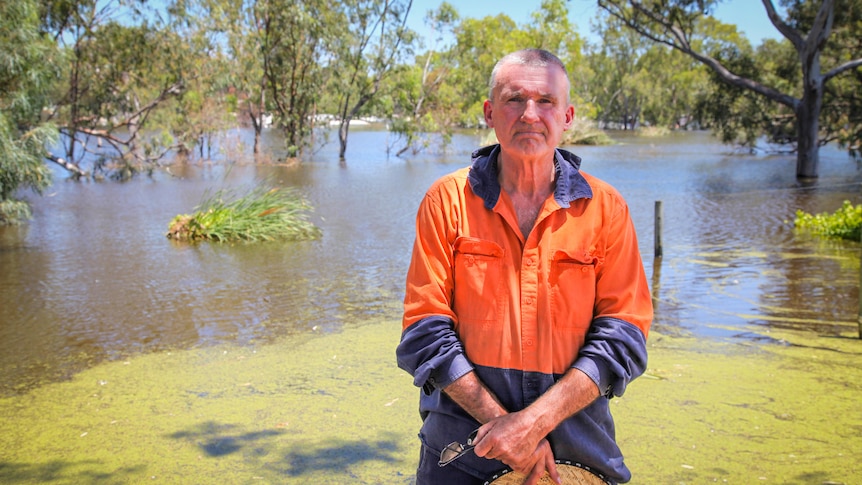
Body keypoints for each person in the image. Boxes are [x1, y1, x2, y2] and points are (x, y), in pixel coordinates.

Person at [396, 48, 653, 485]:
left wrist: (532, 424)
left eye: (546, 101)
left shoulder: (607, 208)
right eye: (514, 99)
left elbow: (623, 336)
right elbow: (425, 331)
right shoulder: (446, 201)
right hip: (461, 445)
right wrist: (509, 429)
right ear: (489, 113)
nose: (530, 114)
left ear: (567, 116)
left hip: (578, 441)